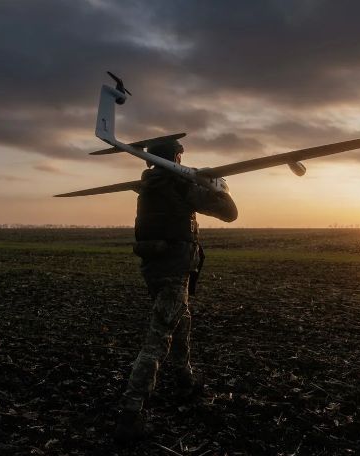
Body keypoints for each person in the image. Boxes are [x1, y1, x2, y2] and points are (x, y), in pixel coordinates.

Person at [114, 140, 238, 443]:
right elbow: (229, 213)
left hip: (154, 267)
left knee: (181, 323)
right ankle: (131, 410)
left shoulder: (149, 185)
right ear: (177, 157)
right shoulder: (179, 184)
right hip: (172, 270)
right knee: (159, 337)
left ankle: (185, 379)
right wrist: (219, 187)